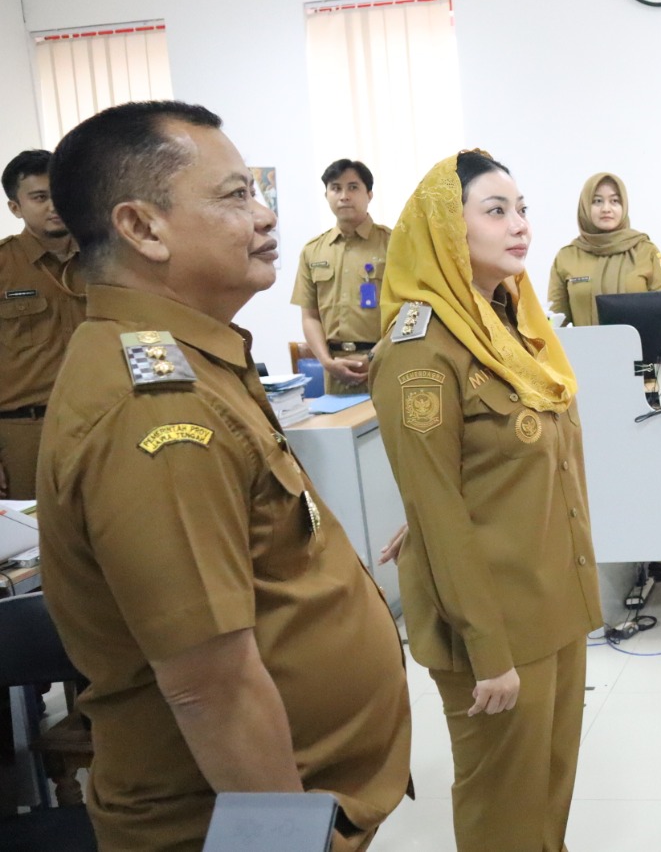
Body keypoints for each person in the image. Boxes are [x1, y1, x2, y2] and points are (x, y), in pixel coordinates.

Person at [35, 101, 411, 851]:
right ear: (142, 228)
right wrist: (288, 841)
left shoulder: (195, 361)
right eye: (236, 196)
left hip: (299, 795)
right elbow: (210, 687)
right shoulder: (156, 411)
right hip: (225, 824)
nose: (265, 216)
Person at [370, 150, 602, 851]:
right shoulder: (421, 349)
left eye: (522, 209)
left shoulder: (508, 328)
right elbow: (438, 506)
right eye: (495, 211)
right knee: (502, 809)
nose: (519, 225)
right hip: (494, 624)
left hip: (551, 597)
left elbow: (490, 473)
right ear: (447, 228)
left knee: (548, 794)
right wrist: (488, 651)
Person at [0, 149, 87, 501]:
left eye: (60, 192)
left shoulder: (106, 260)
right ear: (15, 208)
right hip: (25, 435)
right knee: (33, 532)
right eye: (39, 197)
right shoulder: (3, 266)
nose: (55, 205)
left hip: (104, 422)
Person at [291, 159, 390, 394]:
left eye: (353, 187)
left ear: (369, 194)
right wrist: (326, 362)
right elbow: (310, 316)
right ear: (326, 195)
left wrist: (373, 357)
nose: (344, 196)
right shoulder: (313, 251)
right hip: (335, 370)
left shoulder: (394, 245)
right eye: (336, 188)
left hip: (384, 364)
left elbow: (408, 313)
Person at [546, 171, 661, 326]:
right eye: (597, 201)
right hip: (584, 342)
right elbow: (557, 322)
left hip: (641, 342)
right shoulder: (567, 256)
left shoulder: (646, 250)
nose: (606, 208)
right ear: (585, 206)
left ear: (624, 206)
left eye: (614, 201)